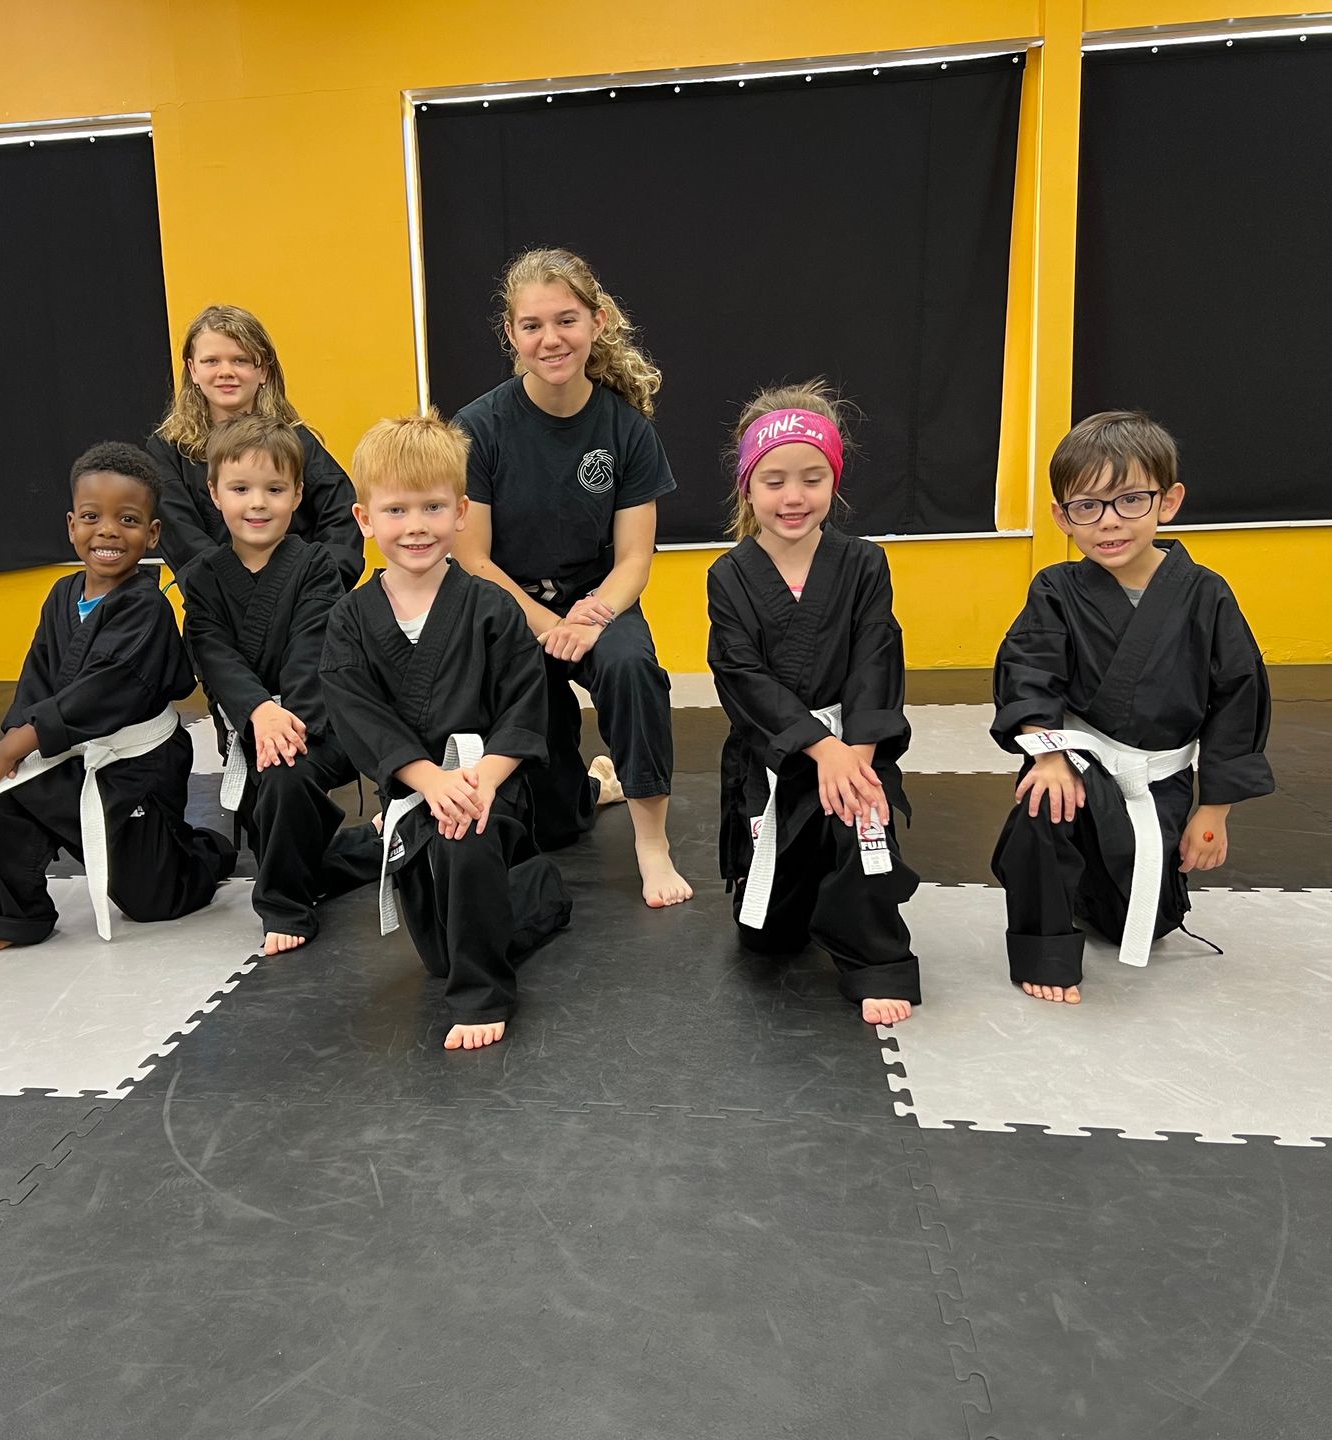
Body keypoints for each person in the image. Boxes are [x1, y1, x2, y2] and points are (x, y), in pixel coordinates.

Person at [991, 410, 1274, 1002]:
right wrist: (1047, 755)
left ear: (1168, 502)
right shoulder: (1056, 589)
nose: (1108, 523)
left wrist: (1214, 810)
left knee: (1146, 918)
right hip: (1078, 765)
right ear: (1061, 516)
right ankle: (1044, 952)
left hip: (1161, 779)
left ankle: (1118, 899)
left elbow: (1237, 695)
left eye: (1129, 501)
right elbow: (1028, 670)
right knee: (1040, 813)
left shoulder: (1205, 594)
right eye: (1086, 507)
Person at [320, 412, 572, 1051]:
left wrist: (478, 781)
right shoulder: (351, 618)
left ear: (461, 512)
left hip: (489, 786)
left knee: (466, 844)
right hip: (412, 791)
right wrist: (427, 778)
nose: (416, 527)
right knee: (438, 951)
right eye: (397, 511)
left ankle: (485, 995)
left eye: (433, 507)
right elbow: (356, 711)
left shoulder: (491, 605)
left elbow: (523, 703)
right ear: (364, 520)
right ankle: (536, 891)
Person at [452, 247, 690, 909]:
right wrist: (548, 624)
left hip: (597, 602)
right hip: (512, 606)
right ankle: (591, 787)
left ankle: (651, 839)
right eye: (532, 325)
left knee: (633, 669)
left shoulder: (626, 428)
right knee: (555, 826)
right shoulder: (479, 428)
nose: (550, 338)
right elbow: (473, 560)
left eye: (566, 320)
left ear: (597, 321)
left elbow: (634, 561)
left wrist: (589, 618)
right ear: (512, 335)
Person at [0, 442, 234, 956]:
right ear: (71, 525)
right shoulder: (62, 594)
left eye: (127, 519)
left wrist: (16, 745)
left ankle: (205, 853)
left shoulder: (147, 607)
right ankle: (15, 918)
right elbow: (37, 677)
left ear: (152, 534)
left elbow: (104, 690)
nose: (107, 531)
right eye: (91, 517)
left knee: (154, 902)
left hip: (133, 769)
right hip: (65, 750)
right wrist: (10, 750)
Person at [707, 385, 923, 1026]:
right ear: (748, 488)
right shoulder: (730, 574)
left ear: (835, 480)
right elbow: (739, 672)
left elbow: (877, 656)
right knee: (768, 938)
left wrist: (855, 755)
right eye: (773, 481)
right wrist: (816, 746)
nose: (793, 497)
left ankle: (876, 960)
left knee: (860, 817)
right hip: (776, 752)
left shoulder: (863, 564)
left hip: (855, 743)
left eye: (811, 478)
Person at [178, 414, 379, 957]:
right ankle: (377, 842)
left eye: (273, 489)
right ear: (215, 494)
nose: (257, 504)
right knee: (286, 846)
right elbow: (212, 654)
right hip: (253, 728)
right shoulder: (202, 576)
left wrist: (288, 721)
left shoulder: (316, 565)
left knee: (287, 781)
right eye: (240, 489)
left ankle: (286, 911)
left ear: (297, 494)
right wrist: (258, 713)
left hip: (317, 724)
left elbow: (311, 649)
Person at [147, 304, 364, 590]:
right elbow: (180, 535)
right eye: (211, 361)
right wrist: (234, 591)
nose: (226, 372)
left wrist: (313, 587)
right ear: (193, 370)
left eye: (240, 360)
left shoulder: (296, 441)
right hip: (217, 608)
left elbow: (341, 518)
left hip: (302, 604)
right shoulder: (169, 450)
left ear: (262, 370)